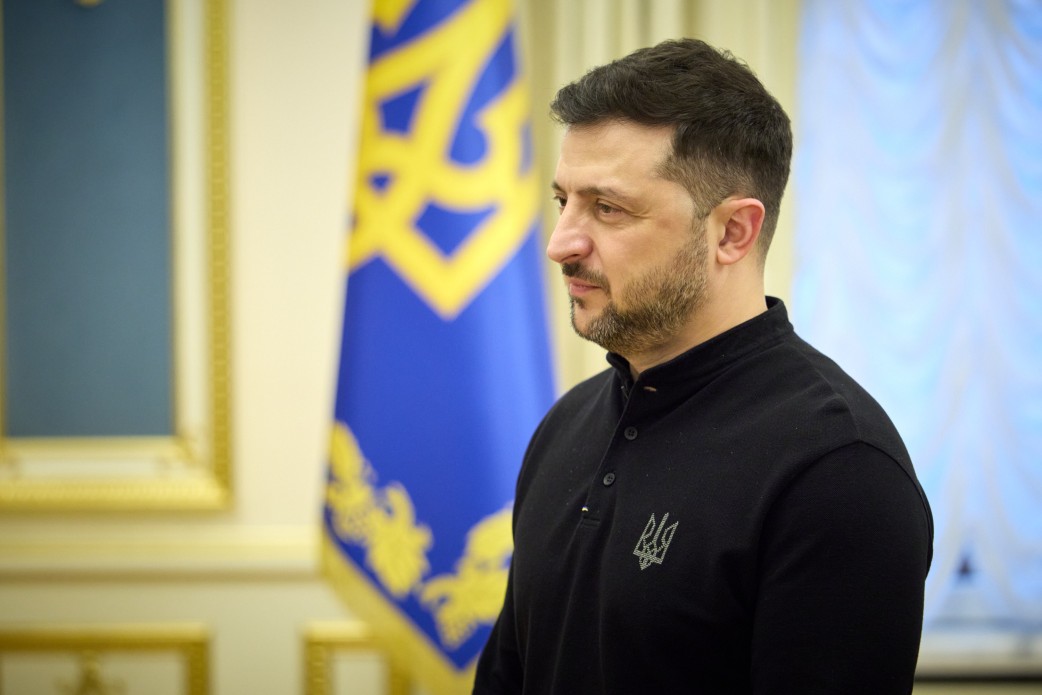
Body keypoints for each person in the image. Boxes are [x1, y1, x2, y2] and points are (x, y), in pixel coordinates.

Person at [472, 38, 933, 695]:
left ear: (732, 232)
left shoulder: (838, 469)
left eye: (607, 208)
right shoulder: (565, 425)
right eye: (563, 201)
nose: (561, 242)